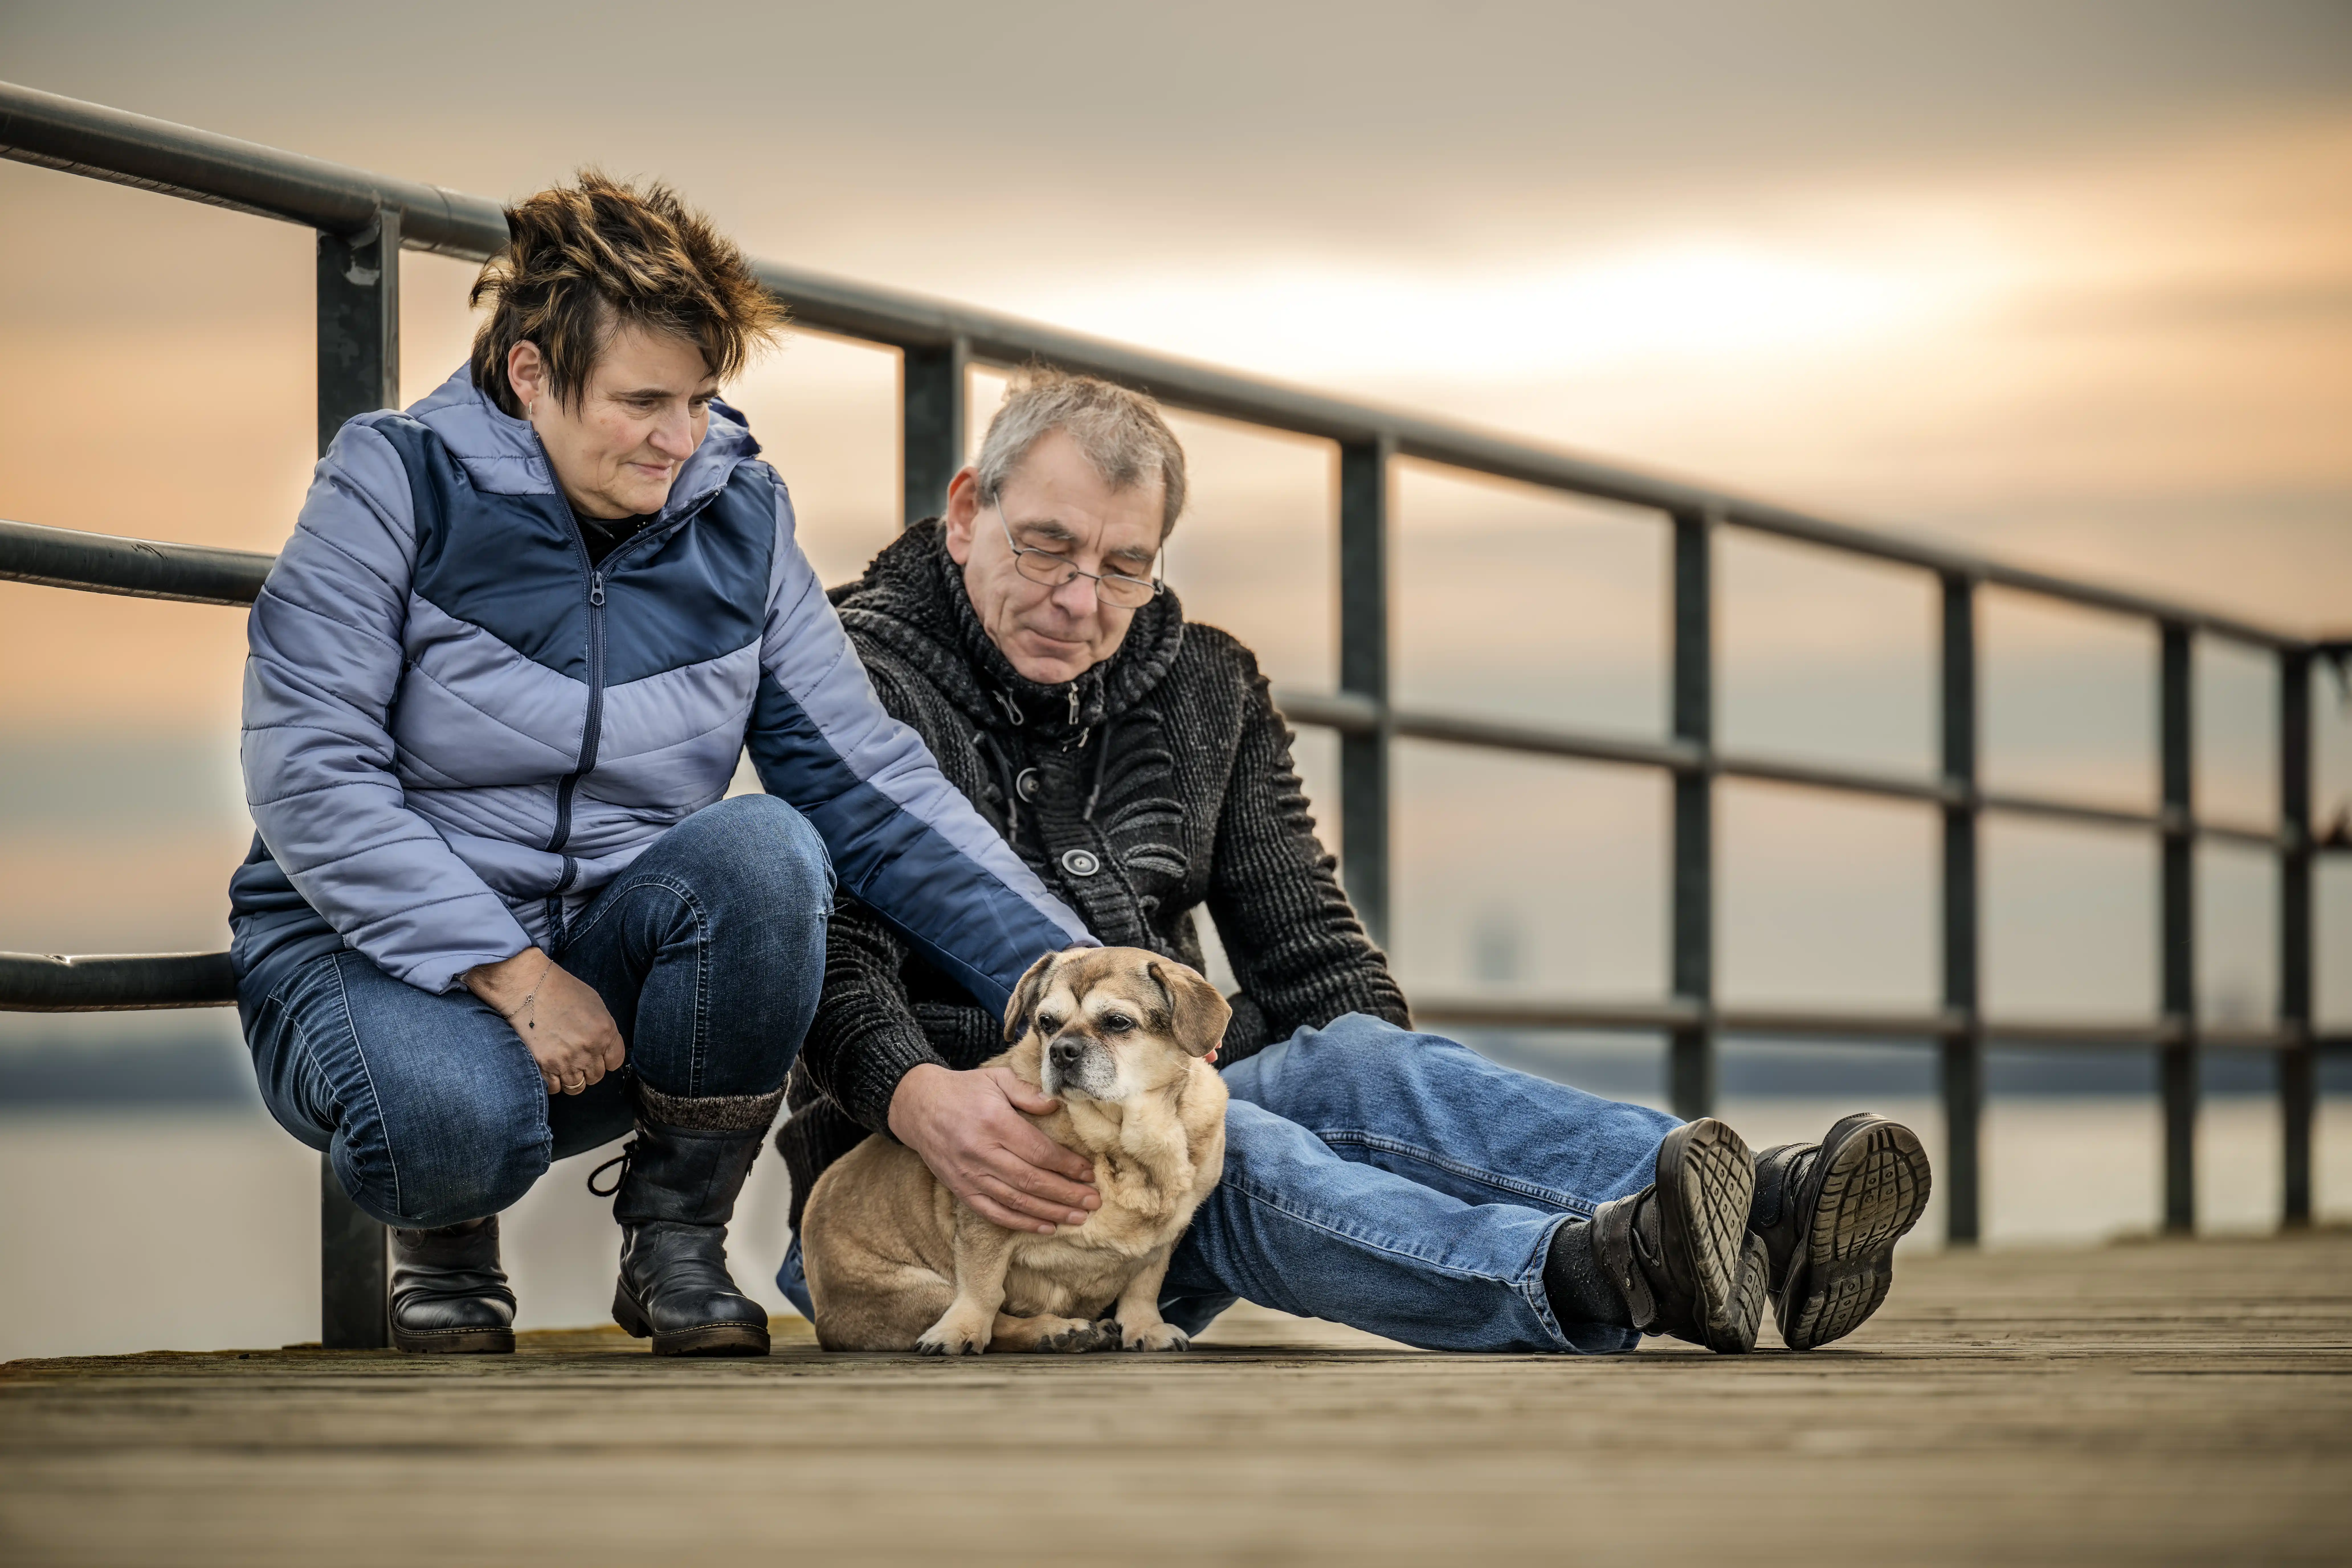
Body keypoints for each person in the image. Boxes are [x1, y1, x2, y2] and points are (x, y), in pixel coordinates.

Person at [776, 369, 1933, 1354]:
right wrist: (923, 1103)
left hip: (1146, 1195)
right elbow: (830, 965)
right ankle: (1594, 1271)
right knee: (1218, 1129)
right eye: (1048, 548)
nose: (1082, 601)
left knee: (1349, 1062)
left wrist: (1385, 1114)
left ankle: (1766, 1208)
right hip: (932, 1211)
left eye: (1125, 565)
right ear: (968, 509)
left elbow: (1317, 959)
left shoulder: (1206, 684)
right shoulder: (855, 675)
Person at [229, 175, 1093, 1357]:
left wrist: (1078, 969)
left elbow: (864, 778)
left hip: (601, 955)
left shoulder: (736, 513)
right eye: (642, 402)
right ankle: (448, 1237)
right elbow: (311, 773)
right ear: (531, 373)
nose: (678, 440)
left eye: (697, 400)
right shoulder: (394, 482)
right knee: (450, 1125)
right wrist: (517, 973)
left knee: (772, 848)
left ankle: (677, 1233)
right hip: (373, 948)